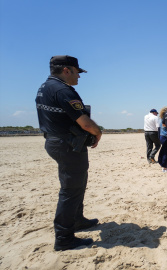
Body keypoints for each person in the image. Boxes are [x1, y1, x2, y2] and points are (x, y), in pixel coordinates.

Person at [35, 55, 102, 251]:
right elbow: (86, 123)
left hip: (57, 141)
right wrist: (98, 133)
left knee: (76, 184)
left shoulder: (44, 87)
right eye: (77, 72)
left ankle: (77, 220)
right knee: (70, 189)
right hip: (67, 144)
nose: (79, 77)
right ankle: (64, 238)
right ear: (67, 70)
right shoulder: (63, 90)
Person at [157, 106, 167, 172]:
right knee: (166, 152)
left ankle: (160, 162)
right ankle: (164, 167)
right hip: (166, 137)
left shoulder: (161, 119)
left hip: (162, 136)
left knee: (163, 150)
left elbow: (159, 129)